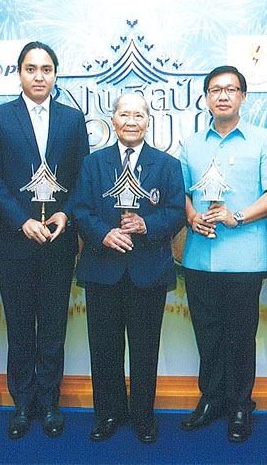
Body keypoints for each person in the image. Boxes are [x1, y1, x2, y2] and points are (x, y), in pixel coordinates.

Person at [0, 41, 89, 440]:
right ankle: (23, 403)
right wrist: (22, 220)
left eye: (46, 69)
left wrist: (65, 212)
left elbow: (82, 178)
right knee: (21, 327)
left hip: (59, 241)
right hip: (12, 241)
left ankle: (51, 402)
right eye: (30, 68)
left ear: (56, 74)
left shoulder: (72, 120)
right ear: (19, 74)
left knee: (54, 327)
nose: (39, 76)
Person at [179, 65, 267, 443]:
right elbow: (182, 194)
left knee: (241, 336)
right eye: (215, 90)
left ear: (243, 96)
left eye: (230, 89)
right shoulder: (191, 144)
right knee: (206, 335)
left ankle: (241, 405)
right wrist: (192, 217)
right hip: (198, 257)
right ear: (206, 98)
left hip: (245, 258)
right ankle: (210, 400)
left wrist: (236, 217)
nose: (222, 96)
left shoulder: (262, 140)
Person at [72, 93, 185, 444]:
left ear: (148, 121)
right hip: (102, 269)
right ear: (113, 119)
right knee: (103, 347)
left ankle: (143, 416)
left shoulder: (166, 165)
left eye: (139, 114)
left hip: (148, 270)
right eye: (124, 114)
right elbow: (80, 209)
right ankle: (107, 413)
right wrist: (104, 233)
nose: (131, 121)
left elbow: (177, 211)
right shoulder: (94, 163)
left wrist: (147, 225)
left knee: (145, 347)